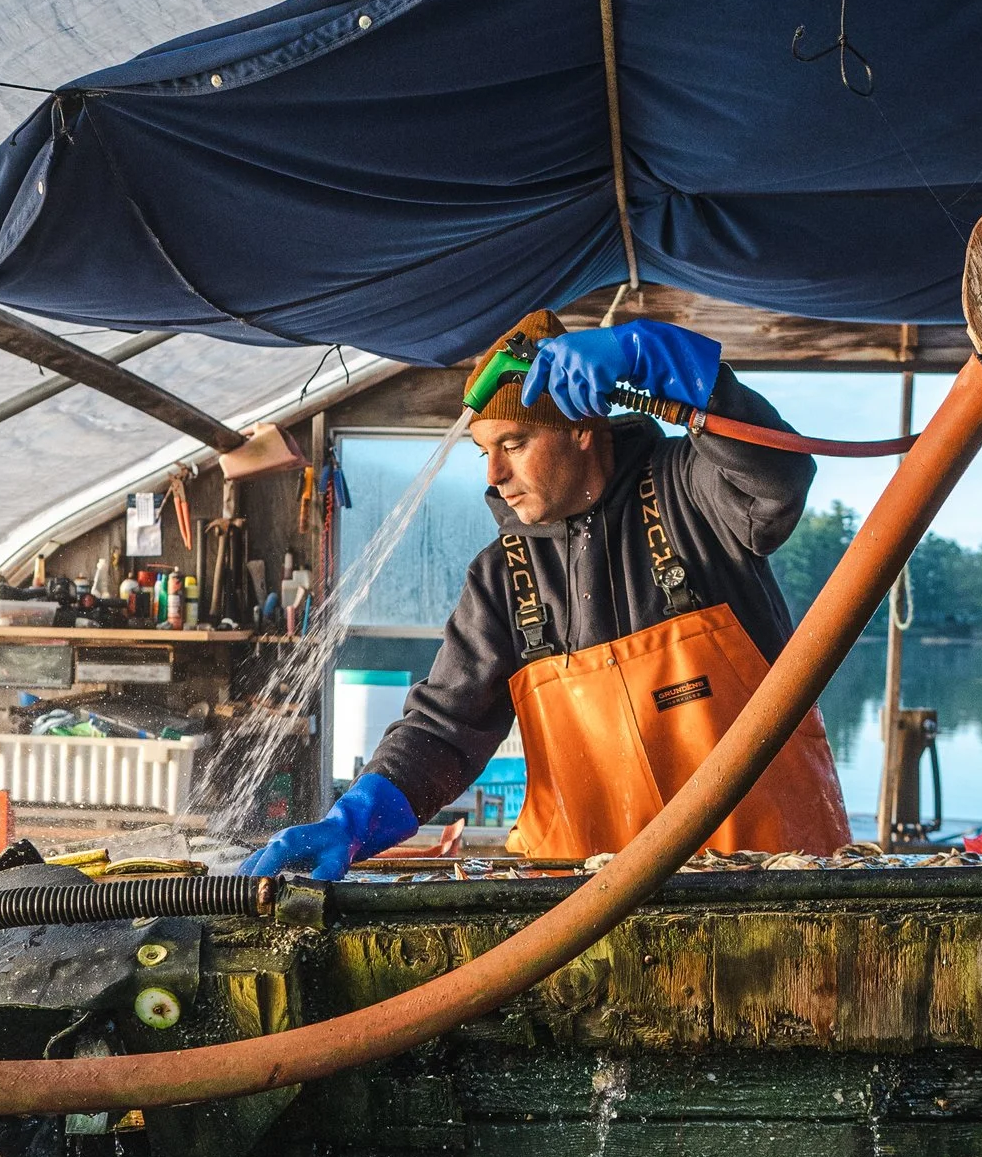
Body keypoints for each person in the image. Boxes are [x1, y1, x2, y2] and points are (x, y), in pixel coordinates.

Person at [244, 308, 849, 880]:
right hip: (581, 914)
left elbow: (777, 479)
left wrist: (697, 377)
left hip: (769, 889)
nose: (493, 476)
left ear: (582, 427)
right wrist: (351, 824)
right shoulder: (500, 578)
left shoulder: (691, 493)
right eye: (484, 452)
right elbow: (444, 732)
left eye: (513, 444)